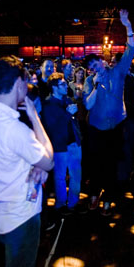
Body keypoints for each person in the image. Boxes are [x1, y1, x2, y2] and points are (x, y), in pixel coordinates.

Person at [0, 56, 54, 267]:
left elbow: (7, 158)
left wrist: (34, 165)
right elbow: (49, 161)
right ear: (19, 84)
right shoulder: (14, 128)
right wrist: (34, 116)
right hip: (20, 217)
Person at [83, 9, 134, 215]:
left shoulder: (118, 72)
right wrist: (95, 86)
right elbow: (87, 105)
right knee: (96, 164)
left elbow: (130, 50)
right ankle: (94, 194)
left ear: (103, 61)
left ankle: (108, 199)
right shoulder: (90, 81)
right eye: (92, 67)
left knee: (111, 165)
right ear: (90, 71)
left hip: (115, 127)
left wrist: (127, 26)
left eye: (97, 63)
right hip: (96, 128)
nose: (97, 67)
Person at [42, 72, 82, 215]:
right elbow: (53, 126)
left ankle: (73, 202)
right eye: (62, 84)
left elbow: (75, 119)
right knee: (60, 176)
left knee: (76, 174)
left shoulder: (67, 100)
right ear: (54, 87)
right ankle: (61, 204)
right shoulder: (48, 104)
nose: (66, 86)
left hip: (74, 143)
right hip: (60, 145)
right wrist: (69, 114)